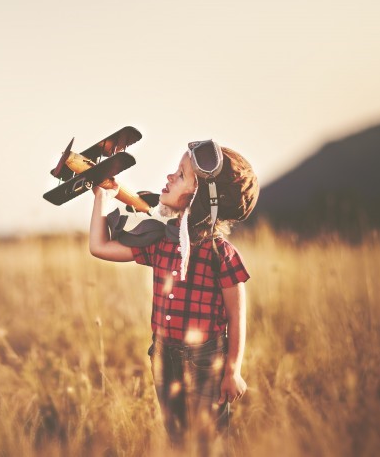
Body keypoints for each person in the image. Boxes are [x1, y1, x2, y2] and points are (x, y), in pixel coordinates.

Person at [88, 140, 259, 455]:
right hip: (163, 355)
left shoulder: (220, 252)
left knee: (210, 442)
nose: (168, 177)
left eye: (180, 175)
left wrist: (233, 369)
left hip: (208, 359)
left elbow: (237, 315)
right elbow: (100, 247)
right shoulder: (160, 238)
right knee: (178, 438)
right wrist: (101, 195)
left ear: (201, 199)